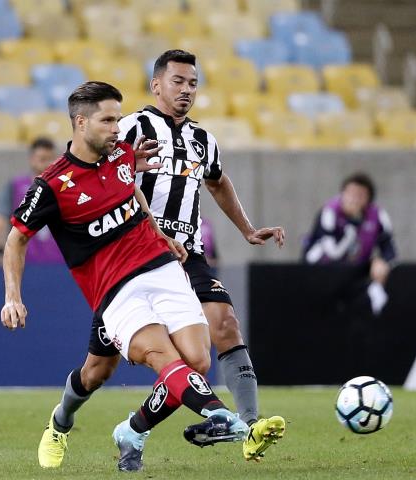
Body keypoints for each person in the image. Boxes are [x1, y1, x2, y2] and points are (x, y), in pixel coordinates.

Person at [36, 50, 287, 469]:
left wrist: (246, 228)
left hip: (185, 255)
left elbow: (218, 181)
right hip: (128, 258)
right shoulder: (129, 127)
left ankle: (247, 427)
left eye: (193, 83)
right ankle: (63, 420)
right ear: (157, 85)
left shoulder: (204, 140)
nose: (186, 90)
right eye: (178, 82)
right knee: (97, 371)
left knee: (220, 329)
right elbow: (86, 168)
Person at [1, 81, 249, 472]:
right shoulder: (52, 185)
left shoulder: (121, 156)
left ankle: (132, 431)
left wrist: (160, 233)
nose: (118, 128)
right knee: (102, 371)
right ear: (81, 123)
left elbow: (132, 192)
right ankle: (61, 422)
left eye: (118, 118)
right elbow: (16, 240)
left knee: (197, 362)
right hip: (115, 290)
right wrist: (13, 296)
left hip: (161, 267)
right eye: (108, 120)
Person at [0, 137, 60, 265]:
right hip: (23, 264)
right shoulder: (16, 186)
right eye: (42, 159)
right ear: (32, 160)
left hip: (60, 264)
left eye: (51, 159)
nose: (48, 164)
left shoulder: (64, 187)